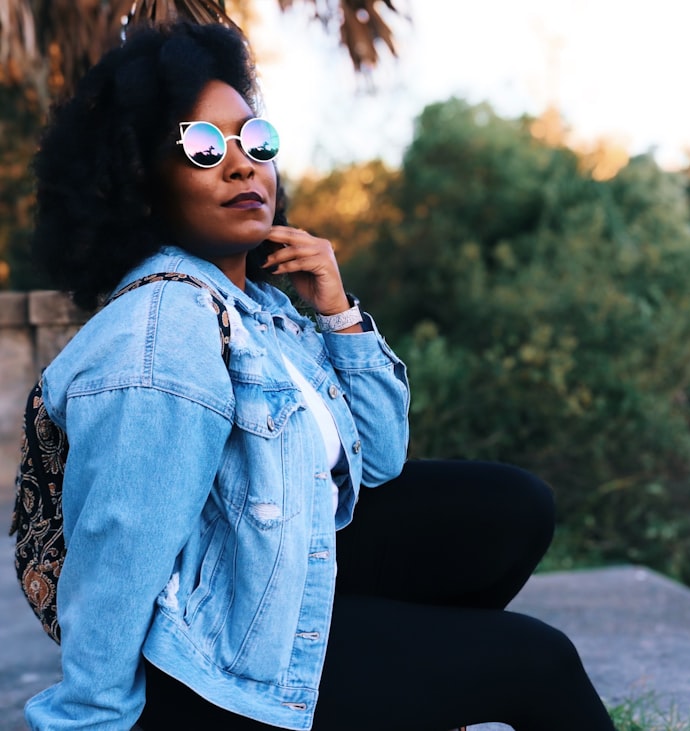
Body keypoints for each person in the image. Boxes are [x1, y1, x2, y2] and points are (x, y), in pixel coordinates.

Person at [24, 19, 617, 731]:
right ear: (142, 185)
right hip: (204, 672)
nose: (243, 165)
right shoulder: (164, 331)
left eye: (255, 141)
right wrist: (92, 718)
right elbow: (117, 556)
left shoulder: (260, 308)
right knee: (535, 662)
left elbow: (382, 461)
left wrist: (336, 309)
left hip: (268, 588)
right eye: (203, 147)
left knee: (510, 509)